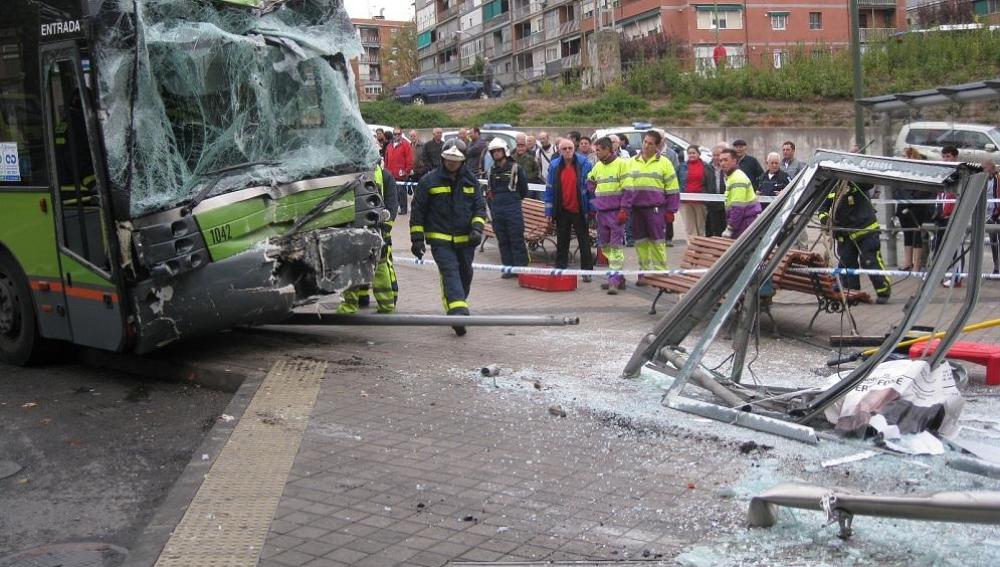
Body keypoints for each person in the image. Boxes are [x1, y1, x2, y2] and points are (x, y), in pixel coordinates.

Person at [410, 140, 487, 336]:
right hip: (440, 239)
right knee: (450, 272)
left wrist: (477, 228)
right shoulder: (428, 181)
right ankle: (457, 314)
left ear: (463, 161)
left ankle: (458, 303)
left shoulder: (471, 181)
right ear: (443, 159)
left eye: (456, 160)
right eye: (449, 160)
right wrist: (417, 239)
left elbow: (479, 208)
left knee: (465, 275)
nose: (452, 164)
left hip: (465, 241)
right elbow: (418, 211)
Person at [816, 179, 891, 304]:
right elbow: (822, 209)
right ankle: (853, 292)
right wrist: (826, 221)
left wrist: (850, 178)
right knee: (846, 263)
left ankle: (883, 289)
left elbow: (868, 182)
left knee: (869, 261)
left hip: (865, 230)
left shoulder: (857, 182)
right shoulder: (832, 188)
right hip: (845, 235)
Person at [338, 164, 399, 313]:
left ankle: (350, 305)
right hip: (373, 228)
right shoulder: (383, 174)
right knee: (379, 266)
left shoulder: (347, 172)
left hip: (361, 228)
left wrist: (386, 228)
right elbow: (391, 205)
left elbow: (391, 205)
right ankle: (386, 304)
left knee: (354, 266)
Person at [622, 130, 679, 284]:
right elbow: (626, 187)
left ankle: (660, 273)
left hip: (655, 208)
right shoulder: (631, 162)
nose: (646, 146)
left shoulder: (665, 163)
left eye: (650, 143)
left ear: (658, 145)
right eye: (645, 142)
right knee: (640, 242)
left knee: (657, 241)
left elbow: (673, 188)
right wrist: (624, 209)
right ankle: (644, 273)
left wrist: (671, 210)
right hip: (636, 209)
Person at [545, 138, 594, 280]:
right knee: (562, 241)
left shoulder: (585, 164)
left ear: (575, 148)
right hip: (562, 210)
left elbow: (591, 189)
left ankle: (587, 272)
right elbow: (549, 190)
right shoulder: (554, 166)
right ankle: (560, 269)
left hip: (580, 209)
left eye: (570, 148)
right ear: (559, 151)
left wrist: (592, 209)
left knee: (584, 241)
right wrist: (548, 211)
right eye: (564, 149)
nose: (567, 151)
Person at [586, 136, 630, 293]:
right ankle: (619, 278)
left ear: (607, 149)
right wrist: (593, 189)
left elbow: (628, 189)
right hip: (602, 213)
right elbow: (590, 180)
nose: (596, 153)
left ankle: (613, 281)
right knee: (605, 247)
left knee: (616, 248)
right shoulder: (597, 166)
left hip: (616, 213)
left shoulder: (621, 165)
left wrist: (624, 210)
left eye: (598, 150)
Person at [486, 138, 529, 277]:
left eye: (499, 150)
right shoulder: (491, 170)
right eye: (494, 151)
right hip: (497, 209)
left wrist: (514, 201)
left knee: (516, 238)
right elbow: (490, 190)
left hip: (513, 208)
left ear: (505, 151)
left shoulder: (516, 167)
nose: (496, 153)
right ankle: (508, 268)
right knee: (502, 240)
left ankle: (521, 269)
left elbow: (524, 190)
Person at [896, 147, 932, 272]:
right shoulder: (901, 171)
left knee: (917, 235)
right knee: (907, 234)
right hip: (903, 207)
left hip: (918, 208)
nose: (903, 158)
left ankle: (916, 266)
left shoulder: (922, 171)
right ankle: (907, 263)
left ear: (912, 156)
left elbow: (924, 189)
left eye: (905, 156)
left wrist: (911, 200)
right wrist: (904, 200)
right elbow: (898, 188)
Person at [937, 145, 965, 287]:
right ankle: (940, 275)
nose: (945, 159)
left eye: (948, 156)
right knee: (939, 246)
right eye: (943, 156)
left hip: (955, 216)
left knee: (956, 248)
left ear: (955, 157)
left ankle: (957, 277)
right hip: (942, 216)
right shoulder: (942, 172)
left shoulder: (961, 173)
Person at [718, 148, 761, 240]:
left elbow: (738, 208)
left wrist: (730, 228)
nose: (722, 163)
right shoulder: (733, 176)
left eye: (726, 160)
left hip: (744, 223)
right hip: (743, 221)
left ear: (734, 161)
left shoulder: (737, 178)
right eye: (720, 160)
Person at [678, 145, 715, 239]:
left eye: (694, 153)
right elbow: (677, 181)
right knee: (690, 228)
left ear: (699, 154)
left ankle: (701, 247)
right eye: (689, 153)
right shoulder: (681, 167)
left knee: (700, 227)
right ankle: (692, 248)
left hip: (701, 201)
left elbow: (710, 183)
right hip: (686, 202)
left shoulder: (707, 167)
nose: (691, 155)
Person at [384, 127, 414, 214]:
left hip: (401, 174)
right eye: (395, 134)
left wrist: (406, 171)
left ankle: (404, 209)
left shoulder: (406, 144)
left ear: (401, 134)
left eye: (398, 134)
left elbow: (410, 160)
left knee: (401, 192)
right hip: (391, 173)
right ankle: (395, 209)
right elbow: (387, 158)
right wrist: (386, 170)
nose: (397, 135)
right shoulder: (390, 145)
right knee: (393, 193)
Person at [705, 143, 728, 237]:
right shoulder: (707, 168)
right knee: (714, 230)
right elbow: (703, 184)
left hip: (725, 205)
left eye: (718, 155)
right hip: (712, 205)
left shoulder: (728, 169)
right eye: (714, 155)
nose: (716, 157)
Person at [984, 158, 1000, 275]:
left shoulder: (998, 178)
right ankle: (996, 268)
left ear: (991, 167)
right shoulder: (985, 179)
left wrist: (996, 214)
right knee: (993, 242)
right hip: (989, 215)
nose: (983, 170)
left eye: (984, 167)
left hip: (996, 215)